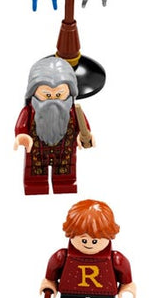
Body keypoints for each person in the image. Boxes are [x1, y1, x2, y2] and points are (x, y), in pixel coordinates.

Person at [40, 199, 135, 298]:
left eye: (95, 241)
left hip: (104, 293)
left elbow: (123, 268)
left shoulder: (114, 258)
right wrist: (50, 281)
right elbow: (54, 266)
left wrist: (126, 284)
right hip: (71, 292)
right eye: (84, 240)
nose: (89, 244)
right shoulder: (64, 255)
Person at [14, 56, 92, 195]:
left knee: (65, 173)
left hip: (65, 150)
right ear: (33, 92)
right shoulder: (29, 111)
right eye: (47, 95)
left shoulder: (74, 111)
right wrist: (22, 135)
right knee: (35, 174)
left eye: (59, 94)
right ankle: (36, 184)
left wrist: (84, 135)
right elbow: (22, 125)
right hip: (36, 150)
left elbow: (83, 128)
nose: (54, 100)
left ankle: (65, 183)